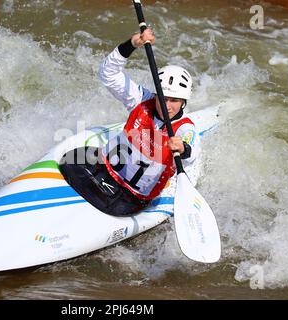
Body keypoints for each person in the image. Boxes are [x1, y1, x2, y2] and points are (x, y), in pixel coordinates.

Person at [59, 28, 199, 216]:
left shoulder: (184, 129)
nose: (166, 105)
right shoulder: (141, 100)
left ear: (184, 102)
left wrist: (182, 149)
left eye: (174, 100)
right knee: (68, 160)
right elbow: (108, 74)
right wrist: (131, 45)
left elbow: (190, 154)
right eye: (163, 98)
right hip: (102, 167)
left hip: (130, 197)